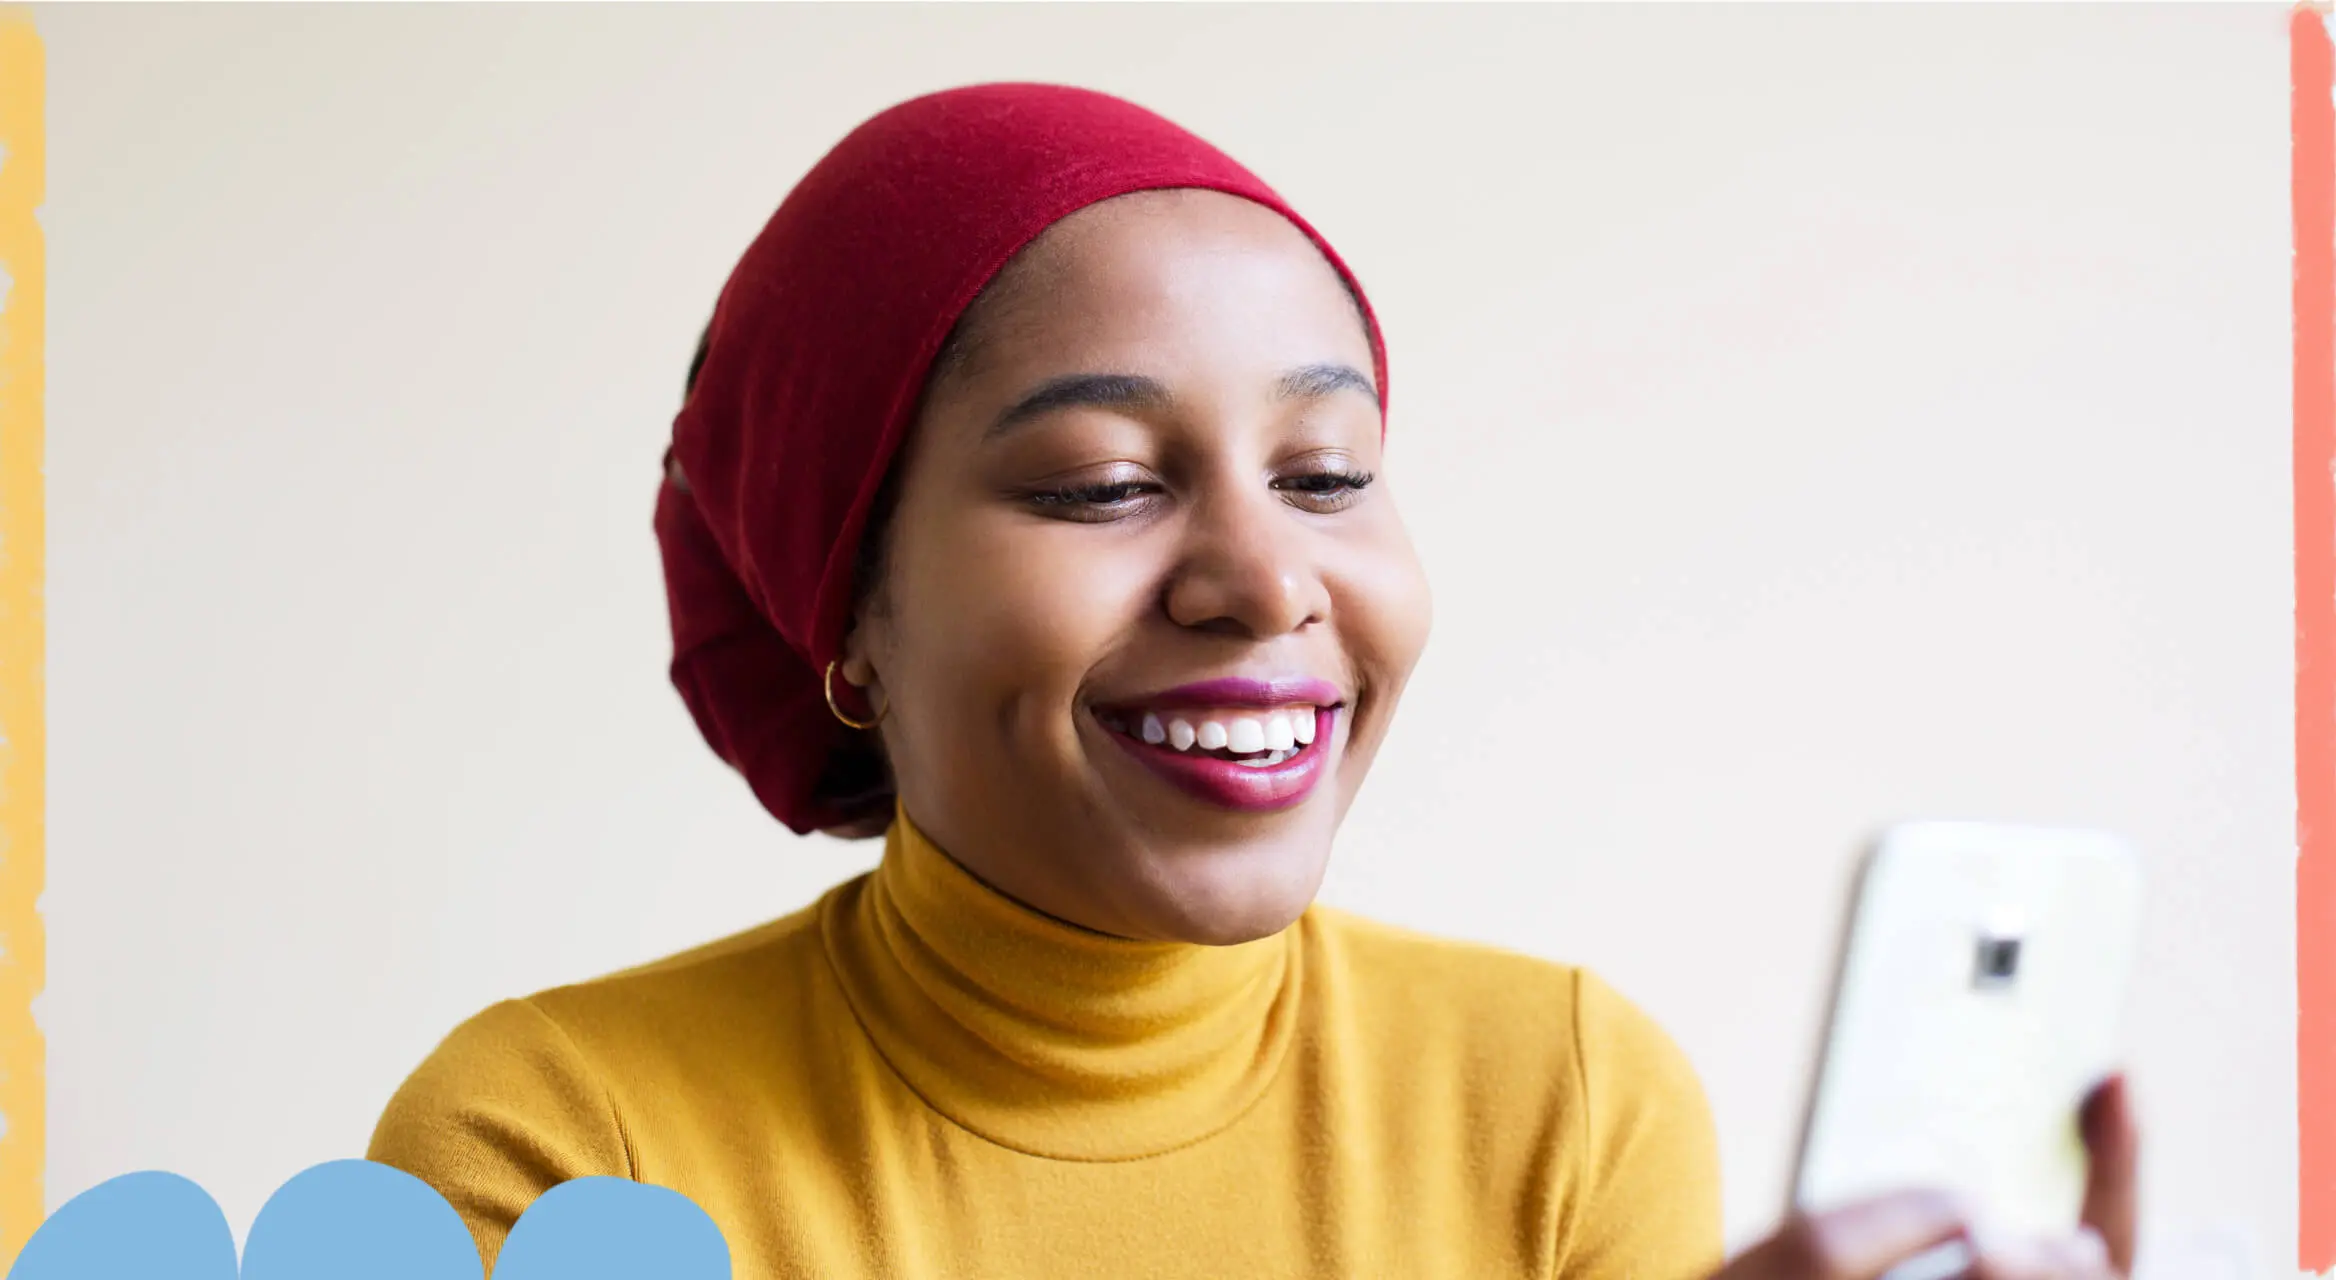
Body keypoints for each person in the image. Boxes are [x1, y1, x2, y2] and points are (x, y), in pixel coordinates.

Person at [368, 82, 2139, 1280]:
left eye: (1327, 473)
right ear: (850, 614)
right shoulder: (559, 1149)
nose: (1268, 578)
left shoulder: (1563, 1105)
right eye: (1105, 485)